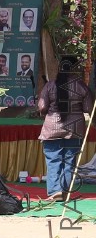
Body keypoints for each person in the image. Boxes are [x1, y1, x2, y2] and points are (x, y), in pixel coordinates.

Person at [37, 60, 90, 200]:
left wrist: (47, 112)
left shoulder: (50, 85)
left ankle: (55, 191)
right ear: (74, 70)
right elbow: (88, 108)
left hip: (52, 128)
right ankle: (65, 192)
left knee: (53, 161)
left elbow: (42, 107)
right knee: (70, 162)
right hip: (75, 129)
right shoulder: (81, 86)